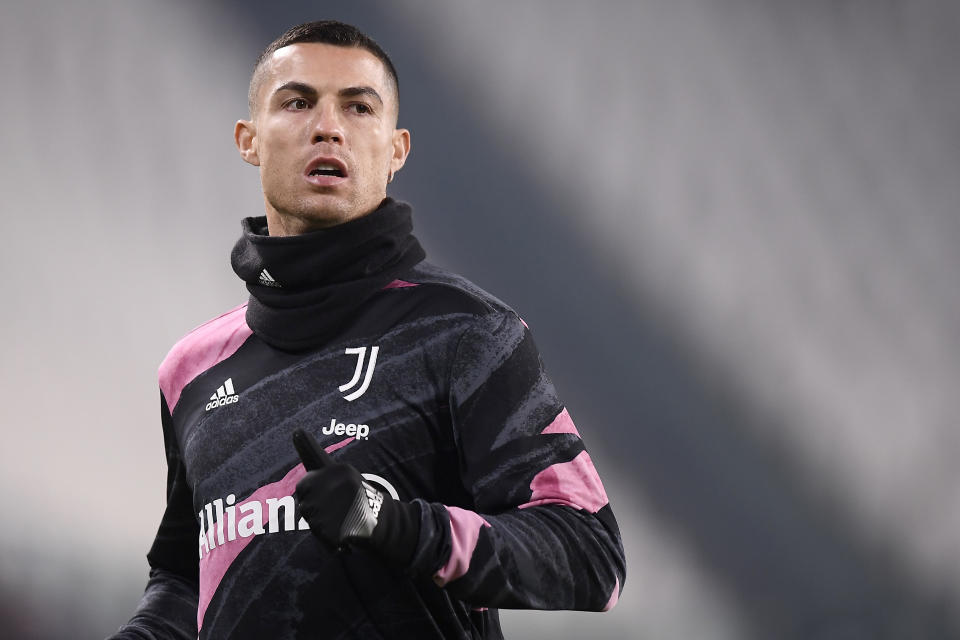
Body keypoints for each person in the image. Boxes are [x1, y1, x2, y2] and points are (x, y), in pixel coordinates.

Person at [110, 20, 625, 640]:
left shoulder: (465, 334)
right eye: (298, 102)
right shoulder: (189, 370)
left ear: (397, 150)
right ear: (249, 139)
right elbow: (186, 579)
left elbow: (590, 555)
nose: (328, 126)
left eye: (358, 107)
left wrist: (398, 526)